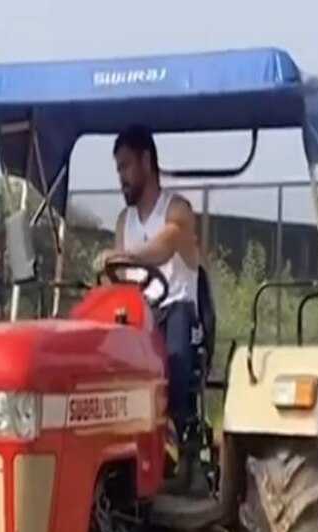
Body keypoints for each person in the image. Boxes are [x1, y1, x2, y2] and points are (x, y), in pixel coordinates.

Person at [94, 125, 207, 496]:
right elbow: (118, 281)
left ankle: (175, 434)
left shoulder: (177, 211)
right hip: (141, 318)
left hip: (182, 317)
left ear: (146, 161)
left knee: (171, 339)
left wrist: (124, 256)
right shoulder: (124, 224)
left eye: (126, 166)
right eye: (117, 170)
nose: (121, 178)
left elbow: (163, 248)